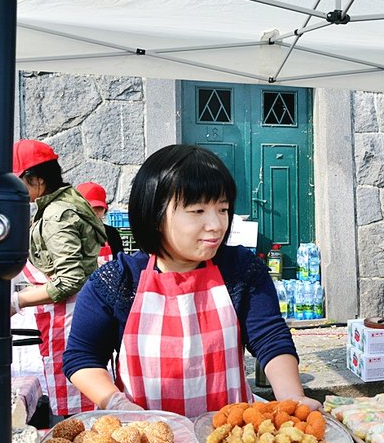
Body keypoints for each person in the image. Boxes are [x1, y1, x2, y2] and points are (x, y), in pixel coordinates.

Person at [63, 144, 320, 417]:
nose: (216, 225)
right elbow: (82, 357)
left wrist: (293, 397)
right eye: (198, 211)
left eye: (222, 209)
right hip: (148, 437)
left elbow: (269, 338)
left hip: (231, 433)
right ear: (155, 215)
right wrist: (117, 405)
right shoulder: (117, 280)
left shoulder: (241, 269)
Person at [13, 139, 107, 415]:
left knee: (78, 392)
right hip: (80, 308)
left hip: (70, 315)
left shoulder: (56, 216)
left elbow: (69, 280)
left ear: (37, 180)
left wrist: (18, 301)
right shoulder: (66, 200)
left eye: (18, 181)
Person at [76, 181, 125, 261]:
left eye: (99, 208)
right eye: (90, 208)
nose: (95, 212)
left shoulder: (111, 233)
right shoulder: (72, 233)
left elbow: (120, 263)